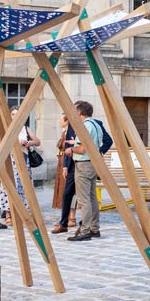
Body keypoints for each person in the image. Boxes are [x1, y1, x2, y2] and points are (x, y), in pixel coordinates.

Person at [66, 101, 104, 242]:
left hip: (84, 163)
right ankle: (94, 228)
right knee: (92, 197)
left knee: (84, 199)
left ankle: (85, 230)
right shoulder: (96, 124)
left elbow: (82, 149)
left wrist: (71, 150)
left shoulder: (86, 126)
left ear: (80, 113)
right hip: (93, 163)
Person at [0, 106, 41, 227]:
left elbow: (38, 141)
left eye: (17, 114)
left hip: (24, 160)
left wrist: (30, 143)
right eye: (13, 114)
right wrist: (16, 142)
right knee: (9, 187)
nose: (15, 116)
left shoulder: (25, 128)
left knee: (23, 187)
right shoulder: (6, 128)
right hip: (10, 160)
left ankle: (22, 214)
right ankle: (8, 215)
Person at [52, 113, 77, 234]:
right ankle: (65, 217)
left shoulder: (70, 132)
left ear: (67, 121)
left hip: (68, 162)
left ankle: (71, 217)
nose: (59, 121)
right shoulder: (65, 132)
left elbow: (68, 149)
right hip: (62, 162)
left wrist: (66, 166)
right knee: (63, 191)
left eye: (61, 119)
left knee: (69, 191)